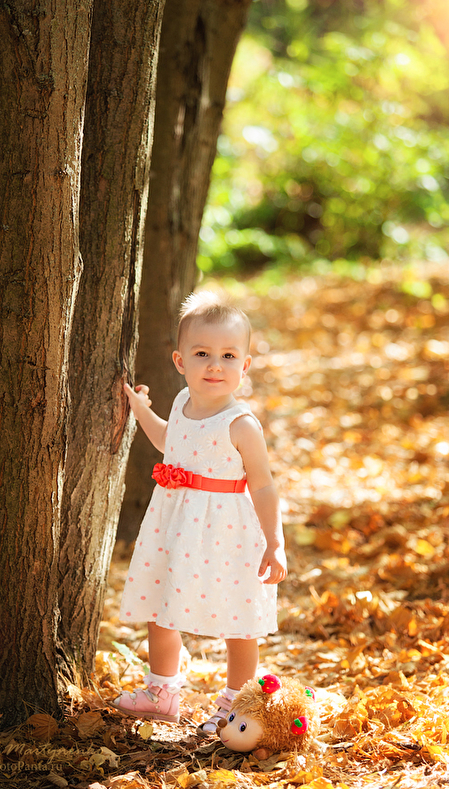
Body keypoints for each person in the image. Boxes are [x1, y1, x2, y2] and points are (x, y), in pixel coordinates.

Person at [111, 292, 287, 733]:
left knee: (239, 621)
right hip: (177, 525)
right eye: (202, 354)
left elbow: (263, 485)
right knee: (161, 606)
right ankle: (162, 691)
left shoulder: (241, 423)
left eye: (228, 356)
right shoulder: (180, 404)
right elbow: (170, 441)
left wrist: (275, 542)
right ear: (180, 361)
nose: (215, 365)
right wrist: (141, 411)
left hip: (227, 530)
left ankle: (238, 702)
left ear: (244, 366)